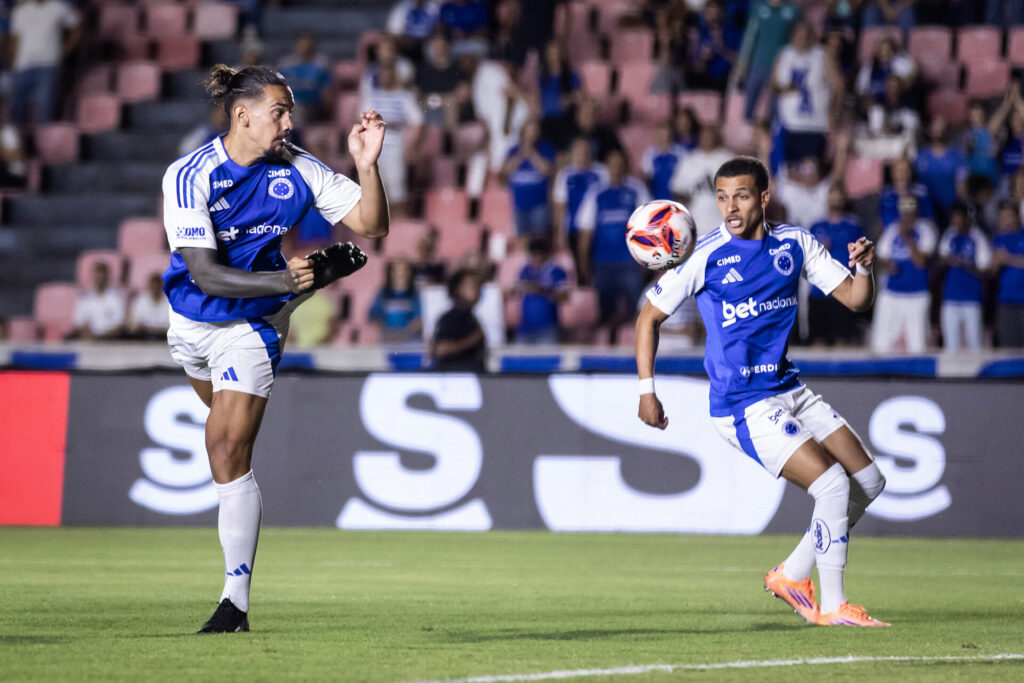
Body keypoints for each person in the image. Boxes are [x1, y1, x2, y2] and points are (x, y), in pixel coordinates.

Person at [161, 64, 388, 633]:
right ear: (242, 115)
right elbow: (207, 276)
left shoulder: (298, 168)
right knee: (222, 432)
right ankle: (304, 287)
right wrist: (291, 283)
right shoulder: (189, 176)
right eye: (278, 112)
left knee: (225, 450)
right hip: (192, 323)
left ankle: (233, 603)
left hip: (253, 323)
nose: (289, 122)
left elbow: (372, 224)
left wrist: (367, 165)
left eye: (289, 112)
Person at [636, 156, 889, 627]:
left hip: (788, 386)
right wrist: (646, 390)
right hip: (742, 404)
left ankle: (792, 573)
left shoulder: (794, 243)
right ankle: (833, 606)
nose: (730, 207)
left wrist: (864, 269)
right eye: (722, 197)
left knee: (869, 483)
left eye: (742, 196)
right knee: (832, 485)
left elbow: (857, 299)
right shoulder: (705, 255)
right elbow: (648, 316)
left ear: (764, 198)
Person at [576, 148, 651, 342]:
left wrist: (645, 261)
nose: (616, 169)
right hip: (602, 264)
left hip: (630, 263)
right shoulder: (596, 193)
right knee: (603, 317)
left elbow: (649, 227)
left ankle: (639, 351)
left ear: (625, 166)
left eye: (620, 164)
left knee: (639, 313)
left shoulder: (637, 190)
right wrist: (584, 265)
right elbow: (586, 231)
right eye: (612, 164)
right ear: (606, 167)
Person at [872, 196, 937, 353]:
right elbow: (880, 260)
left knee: (917, 345)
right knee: (881, 344)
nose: (907, 215)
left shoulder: (925, 231)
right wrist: (888, 265)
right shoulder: (892, 230)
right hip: (892, 292)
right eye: (904, 211)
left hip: (916, 294)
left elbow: (921, 262)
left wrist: (907, 238)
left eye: (910, 211)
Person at [772, 21, 842, 165]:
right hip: (790, 125)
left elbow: (839, 87)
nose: (802, 39)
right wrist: (785, 89)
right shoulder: (784, 54)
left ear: (812, 36)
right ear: (793, 36)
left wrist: (834, 112)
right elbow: (774, 86)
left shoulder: (822, 55)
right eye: (799, 35)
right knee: (791, 173)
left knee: (813, 172)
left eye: (806, 35)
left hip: (816, 126)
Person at [361, 62, 423, 216]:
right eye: (383, 74)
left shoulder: (404, 97)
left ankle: (399, 232)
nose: (386, 77)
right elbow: (361, 123)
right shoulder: (371, 97)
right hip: (373, 150)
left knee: (397, 194)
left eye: (389, 74)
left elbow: (418, 122)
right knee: (374, 196)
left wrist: (410, 147)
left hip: (396, 149)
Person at [808, 183, 866, 346]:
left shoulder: (853, 225)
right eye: (832, 195)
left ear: (844, 199)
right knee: (817, 341)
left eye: (839, 195)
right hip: (818, 292)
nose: (835, 199)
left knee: (842, 340)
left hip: (844, 289)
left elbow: (861, 256)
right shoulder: (816, 226)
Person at [8, 0, 80, 125]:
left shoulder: (58, 7)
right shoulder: (20, 11)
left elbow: (77, 28)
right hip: (22, 66)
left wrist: (64, 50)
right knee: (16, 110)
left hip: (48, 65)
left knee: (44, 109)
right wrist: (13, 64)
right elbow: (15, 39)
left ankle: (44, 143)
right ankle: (18, 143)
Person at [734, 0, 801, 122]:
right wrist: (742, 63)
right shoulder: (759, 7)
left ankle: (772, 134)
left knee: (775, 108)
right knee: (749, 105)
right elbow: (749, 37)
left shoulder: (792, 9)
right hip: (758, 63)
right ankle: (748, 132)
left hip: (781, 66)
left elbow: (798, 38)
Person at [938, 202, 991, 351]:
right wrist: (946, 261)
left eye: (959, 217)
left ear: (967, 218)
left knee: (975, 344)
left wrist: (962, 263)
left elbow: (985, 271)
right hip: (950, 297)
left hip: (971, 298)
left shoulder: (978, 237)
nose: (956, 222)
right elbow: (942, 260)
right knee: (950, 345)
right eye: (953, 218)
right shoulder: (949, 234)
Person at [553, 136, 608, 263]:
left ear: (591, 153)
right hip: (573, 227)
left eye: (585, 152)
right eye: (578, 152)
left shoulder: (601, 172)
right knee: (578, 264)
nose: (582, 155)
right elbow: (560, 205)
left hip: (597, 227)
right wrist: (560, 232)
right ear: (572, 153)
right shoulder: (565, 174)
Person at [499, 118, 555, 242]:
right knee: (521, 240)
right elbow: (505, 171)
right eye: (530, 130)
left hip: (539, 204)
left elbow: (547, 170)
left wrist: (532, 154)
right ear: (523, 132)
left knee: (539, 240)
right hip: (519, 204)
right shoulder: (513, 150)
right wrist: (521, 155)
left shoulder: (545, 148)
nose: (533, 133)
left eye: (535, 130)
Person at [514, 236, 568, 344]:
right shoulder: (525, 270)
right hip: (525, 329)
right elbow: (519, 289)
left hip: (547, 328)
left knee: (549, 360)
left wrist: (543, 289)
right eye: (533, 254)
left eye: (539, 254)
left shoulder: (557, 271)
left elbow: (565, 296)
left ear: (546, 254)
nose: (536, 257)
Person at [431, 268, 486, 371]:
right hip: (455, 378)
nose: (477, 289)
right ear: (458, 289)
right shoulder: (451, 317)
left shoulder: (471, 317)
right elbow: (440, 349)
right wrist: (471, 340)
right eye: (472, 286)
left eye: (478, 286)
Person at [277, 32, 331, 124]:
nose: (305, 48)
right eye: (302, 45)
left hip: (312, 105)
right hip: (291, 105)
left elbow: (326, 91)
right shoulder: (286, 64)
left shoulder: (321, 64)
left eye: (308, 46)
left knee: (299, 113)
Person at [992, 199, 1024, 347]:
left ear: (1017, 216)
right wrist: (995, 263)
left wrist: (1009, 259)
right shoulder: (998, 238)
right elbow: (992, 271)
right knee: (1008, 350)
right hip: (1005, 302)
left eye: (1008, 215)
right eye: (1002, 216)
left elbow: (1008, 259)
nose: (1005, 219)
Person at [68, 261, 126, 341]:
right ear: (93, 276)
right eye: (97, 273)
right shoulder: (84, 299)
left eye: (102, 273)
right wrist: (86, 332)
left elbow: (119, 324)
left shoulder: (116, 298)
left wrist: (103, 335)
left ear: (107, 276)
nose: (100, 277)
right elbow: (78, 323)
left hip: (109, 338)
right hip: (90, 338)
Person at [370, 259, 423, 343]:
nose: (401, 274)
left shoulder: (415, 295)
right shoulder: (383, 294)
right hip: (387, 340)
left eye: (405, 270)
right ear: (391, 273)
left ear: (410, 273)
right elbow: (373, 316)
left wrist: (404, 334)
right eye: (397, 270)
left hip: (409, 342)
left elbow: (419, 320)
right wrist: (387, 332)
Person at [127, 273, 171, 341]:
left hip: (165, 339)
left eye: (158, 285)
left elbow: (173, 328)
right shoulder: (140, 301)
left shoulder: (170, 303)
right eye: (153, 284)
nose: (156, 287)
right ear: (149, 285)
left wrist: (150, 329)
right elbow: (134, 325)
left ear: (162, 286)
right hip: (143, 338)